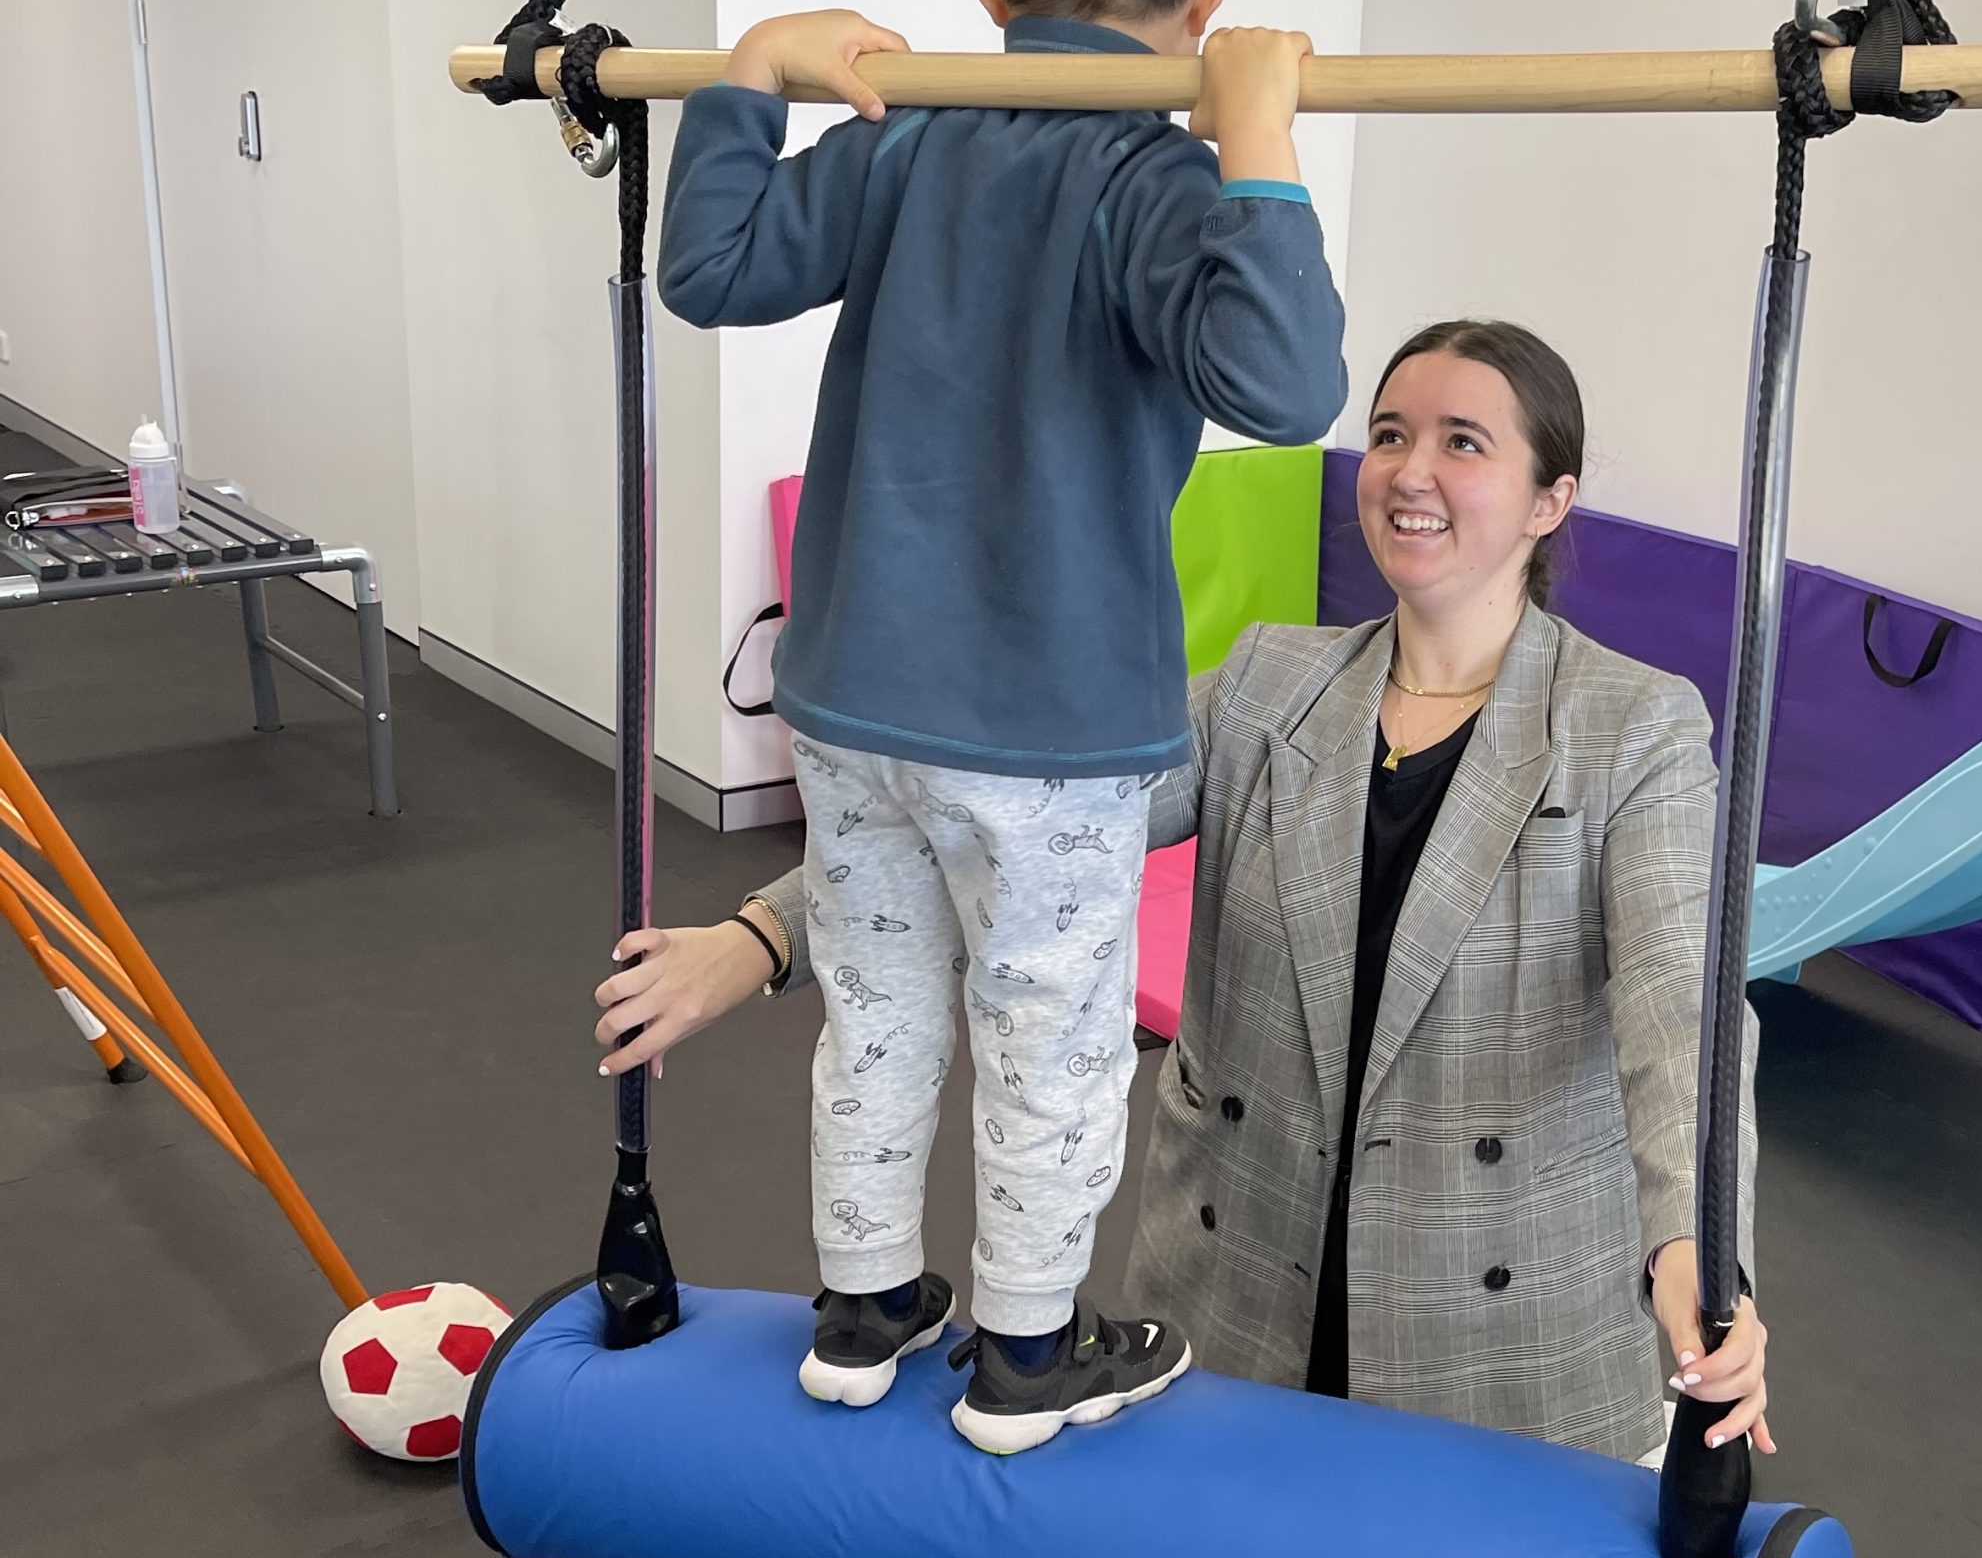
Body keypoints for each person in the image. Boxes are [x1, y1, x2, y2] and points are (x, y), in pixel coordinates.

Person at [607, 321, 1771, 1466]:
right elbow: (1018, 841)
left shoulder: (1635, 727)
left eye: (1464, 442)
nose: (1411, 472)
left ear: (1547, 500)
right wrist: (757, 938)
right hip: (1241, 1282)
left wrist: (1693, 1242)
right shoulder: (1270, 684)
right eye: (1388, 434)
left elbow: (1684, 1008)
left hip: (1496, 1325)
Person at [646, 0, 1348, 1454]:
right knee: (1046, 1033)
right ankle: (1028, 1352)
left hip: (852, 710)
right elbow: (1288, 384)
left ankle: (868, 1301)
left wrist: (748, 76)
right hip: (1046, 740)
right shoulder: (1162, 178)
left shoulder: (923, 130)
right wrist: (1256, 147)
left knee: (883, 1010)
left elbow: (710, 266)